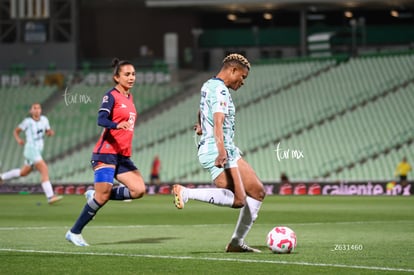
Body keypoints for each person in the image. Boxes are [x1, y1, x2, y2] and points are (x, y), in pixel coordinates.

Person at [172, 53, 265, 253]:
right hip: (218, 148)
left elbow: (202, 109)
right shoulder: (221, 90)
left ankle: (236, 243)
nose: (243, 81)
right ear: (233, 70)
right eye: (243, 76)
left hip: (226, 148)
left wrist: (200, 123)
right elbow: (219, 121)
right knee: (239, 199)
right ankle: (186, 192)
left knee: (257, 191)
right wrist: (221, 152)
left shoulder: (209, 85)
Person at [65, 58, 146, 246]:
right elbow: (101, 119)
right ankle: (74, 232)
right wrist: (117, 124)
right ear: (116, 77)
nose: (131, 77)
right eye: (127, 74)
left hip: (122, 155)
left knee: (139, 190)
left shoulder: (129, 97)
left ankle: (96, 194)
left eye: (133, 74)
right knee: (102, 196)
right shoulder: (111, 96)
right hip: (106, 153)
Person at [0, 103, 62, 204]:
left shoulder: (45, 120)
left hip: (38, 150)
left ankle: (2, 177)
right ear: (31, 111)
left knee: (23, 172)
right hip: (30, 149)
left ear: (40, 110)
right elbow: (16, 131)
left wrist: (50, 133)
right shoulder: (27, 122)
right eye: (35, 108)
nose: (37, 110)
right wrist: (19, 140)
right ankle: (50, 196)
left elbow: (47, 131)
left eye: (38, 108)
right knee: (44, 169)